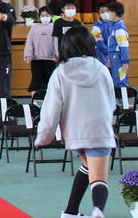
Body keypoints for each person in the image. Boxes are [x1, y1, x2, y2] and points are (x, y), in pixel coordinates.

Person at [34, 27, 115, 218]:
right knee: (99, 178)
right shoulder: (102, 69)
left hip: (74, 133)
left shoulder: (60, 72)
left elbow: (51, 109)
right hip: (99, 130)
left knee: (88, 167)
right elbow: (111, 102)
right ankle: (98, 210)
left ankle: (70, 212)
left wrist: (42, 137)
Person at [23, 6, 56, 93]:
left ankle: (50, 100)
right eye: (43, 15)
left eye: (47, 15)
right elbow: (29, 42)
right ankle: (35, 100)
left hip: (51, 59)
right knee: (36, 83)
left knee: (51, 83)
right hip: (36, 60)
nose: (45, 17)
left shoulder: (55, 27)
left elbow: (57, 43)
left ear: (51, 16)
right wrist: (28, 55)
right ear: (39, 17)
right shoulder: (34, 28)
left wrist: (58, 55)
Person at [107, 2, 130, 87]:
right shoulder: (114, 26)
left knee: (121, 81)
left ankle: (123, 96)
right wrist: (109, 58)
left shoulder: (119, 28)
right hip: (113, 56)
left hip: (118, 57)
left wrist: (125, 61)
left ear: (114, 13)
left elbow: (124, 45)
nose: (108, 14)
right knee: (115, 81)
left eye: (109, 12)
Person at [90, 3, 112, 68]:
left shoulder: (115, 23)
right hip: (102, 55)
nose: (105, 13)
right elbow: (99, 42)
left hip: (115, 54)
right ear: (99, 14)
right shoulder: (96, 26)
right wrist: (109, 53)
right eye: (102, 12)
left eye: (107, 11)